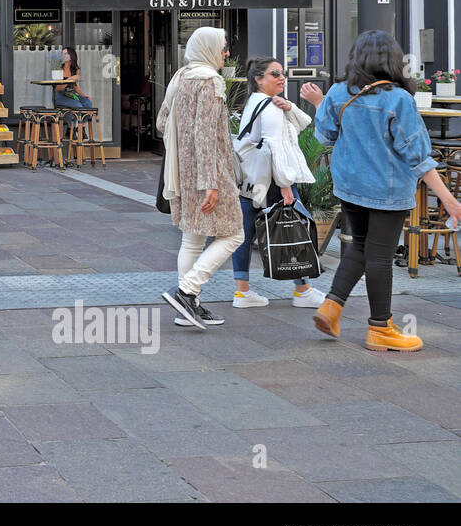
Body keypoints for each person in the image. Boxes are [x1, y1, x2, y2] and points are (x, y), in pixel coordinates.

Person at [304, 31, 461, 351]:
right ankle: (381, 328)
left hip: (349, 187)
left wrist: (321, 104)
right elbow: (418, 157)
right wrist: (448, 198)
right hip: (387, 191)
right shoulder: (398, 99)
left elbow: (325, 137)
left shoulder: (337, 92)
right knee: (379, 257)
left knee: (360, 248)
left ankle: (331, 307)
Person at [158, 27, 246, 330]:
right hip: (211, 173)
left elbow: (162, 120)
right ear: (208, 48)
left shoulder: (181, 77)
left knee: (192, 239)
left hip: (183, 171)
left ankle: (188, 307)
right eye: (222, 47)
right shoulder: (210, 81)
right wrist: (211, 182)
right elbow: (206, 134)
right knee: (235, 234)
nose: (226, 53)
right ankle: (187, 291)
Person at [229, 57, 326, 309]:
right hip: (273, 179)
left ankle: (242, 292)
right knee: (296, 229)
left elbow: (303, 122)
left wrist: (289, 106)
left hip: (251, 179)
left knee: (245, 232)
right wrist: (284, 185)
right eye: (274, 74)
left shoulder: (258, 102)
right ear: (258, 79)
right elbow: (275, 147)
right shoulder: (269, 107)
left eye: (282, 73)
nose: (281, 77)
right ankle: (303, 290)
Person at [54, 47, 95, 111]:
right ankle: (72, 121)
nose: (63, 55)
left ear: (71, 55)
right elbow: (57, 88)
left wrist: (84, 95)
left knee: (88, 103)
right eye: (62, 54)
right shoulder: (59, 68)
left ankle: (83, 121)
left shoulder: (76, 69)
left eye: (65, 54)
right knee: (78, 105)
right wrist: (69, 79)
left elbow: (75, 86)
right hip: (59, 95)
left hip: (71, 94)